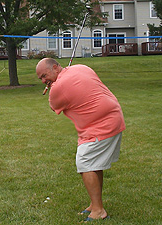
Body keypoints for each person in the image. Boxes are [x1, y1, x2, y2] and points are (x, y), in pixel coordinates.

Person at [36, 58, 125, 222]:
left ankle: (98, 210)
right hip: (113, 117)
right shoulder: (82, 67)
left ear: (55, 67)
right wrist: (54, 81)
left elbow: (53, 105)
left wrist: (52, 87)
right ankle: (94, 204)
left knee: (85, 163)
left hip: (101, 126)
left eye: (44, 75)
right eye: (40, 79)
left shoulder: (58, 88)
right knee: (94, 164)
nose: (43, 80)